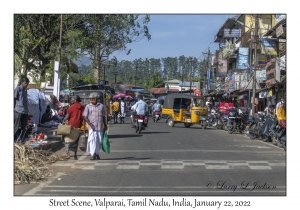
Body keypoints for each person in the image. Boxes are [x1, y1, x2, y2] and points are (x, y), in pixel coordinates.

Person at [83, 92, 108, 160]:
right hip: (92, 127)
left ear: (96, 99)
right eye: (90, 99)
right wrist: (90, 124)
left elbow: (103, 116)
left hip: (99, 127)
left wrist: (105, 125)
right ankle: (93, 154)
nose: (91, 100)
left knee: (99, 141)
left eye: (93, 99)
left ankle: (97, 154)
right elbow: (85, 116)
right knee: (92, 140)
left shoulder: (101, 106)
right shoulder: (88, 106)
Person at [63, 95, 84, 160]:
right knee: (75, 141)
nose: (71, 100)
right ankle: (75, 155)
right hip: (78, 126)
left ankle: (68, 154)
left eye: (72, 99)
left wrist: (64, 120)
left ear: (75, 99)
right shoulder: (82, 107)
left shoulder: (71, 107)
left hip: (71, 126)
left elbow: (67, 117)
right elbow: (84, 116)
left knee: (66, 139)